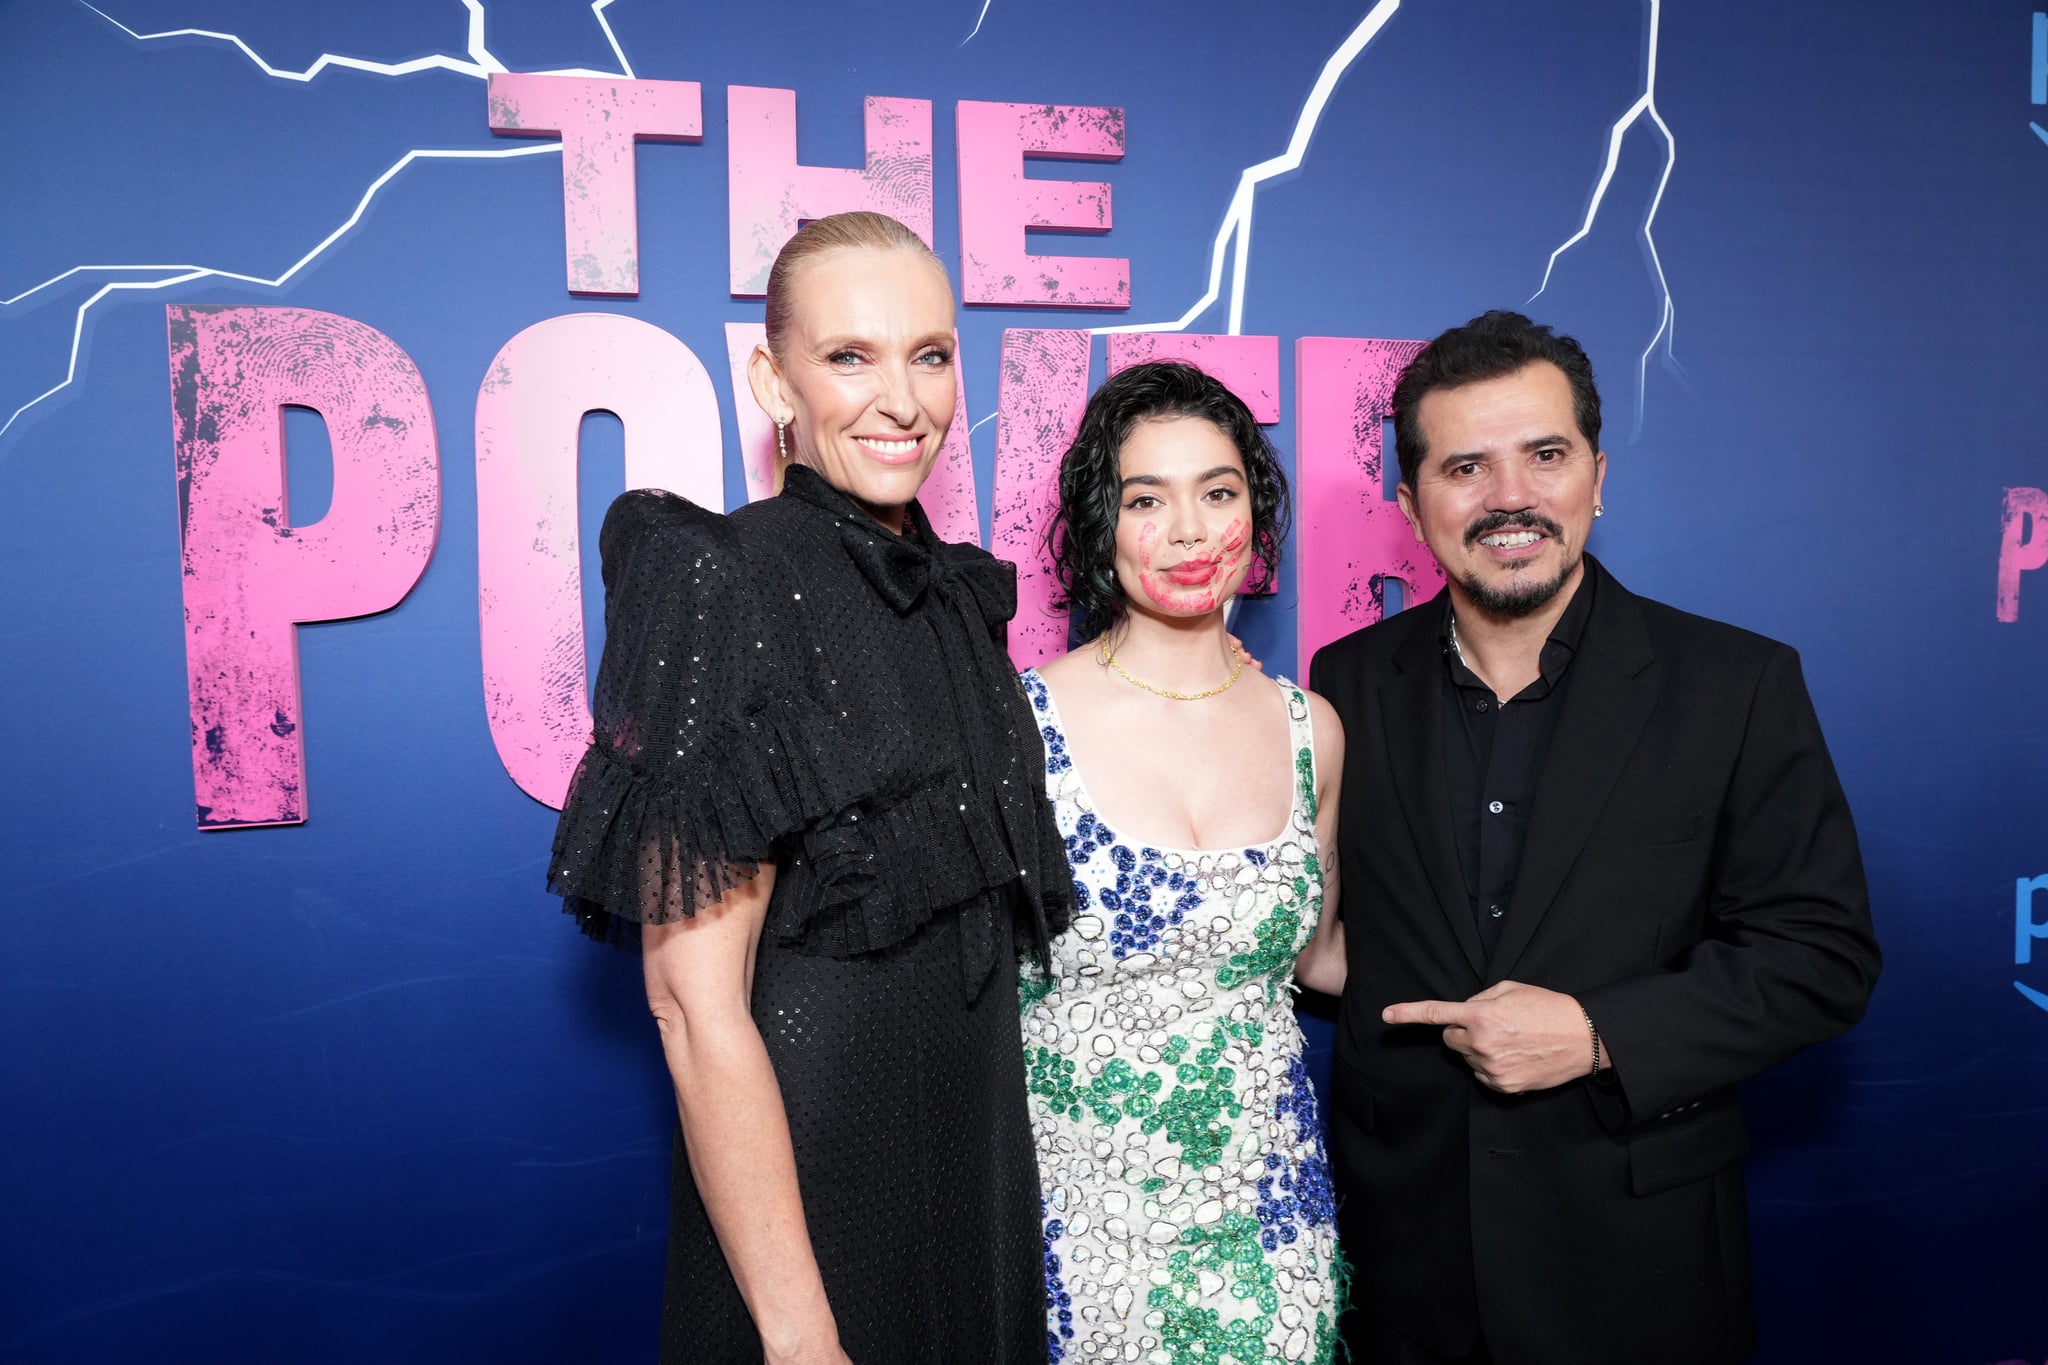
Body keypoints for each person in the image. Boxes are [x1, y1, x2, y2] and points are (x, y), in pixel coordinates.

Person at [1308, 310, 1882, 1365]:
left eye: (1543, 456)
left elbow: (1820, 957)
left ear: (1596, 475)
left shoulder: (1734, 686)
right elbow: (1336, 936)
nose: (1509, 497)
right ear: (1409, 502)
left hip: (1637, 1262)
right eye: (1464, 467)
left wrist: (1598, 1032)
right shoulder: (1345, 684)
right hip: (1406, 1264)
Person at [546, 211, 1070, 1364]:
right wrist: (798, 1336)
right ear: (769, 376)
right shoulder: (718, 578)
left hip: (972, 1174)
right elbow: (691, 1005)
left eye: (928, 355)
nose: (902, 401)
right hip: (814, 1192)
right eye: (850, 356)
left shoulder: (955, 603)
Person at [1020, 361, 1349, 1365]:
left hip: (1270, 1232)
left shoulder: (1310, 728)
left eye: (1217, 492)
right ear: (1097, 524)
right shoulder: (1017, 726)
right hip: (1076, 1231)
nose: (1190, 532)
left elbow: (1323, 957)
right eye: (1145, 500)